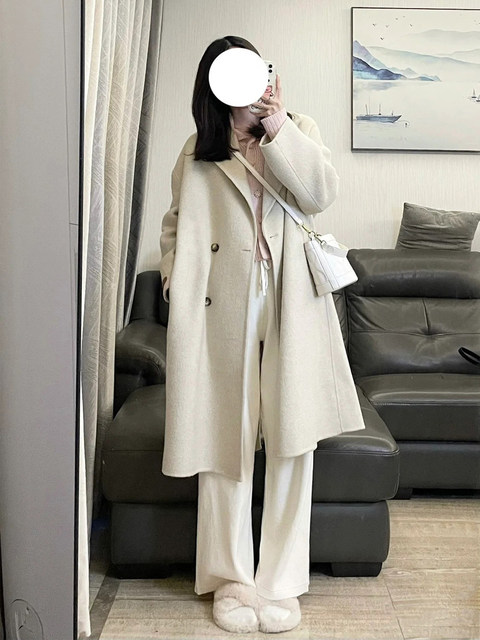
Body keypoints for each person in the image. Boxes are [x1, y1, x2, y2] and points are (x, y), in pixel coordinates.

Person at [159, 36, 366, 634]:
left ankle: (280, 581)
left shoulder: (298, 129)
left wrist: (278, 128)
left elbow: (320, 195)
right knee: (223, 434)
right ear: (214, 85)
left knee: (292, 438)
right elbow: (175, 223)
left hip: (291, 301)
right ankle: (231, 580)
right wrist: (173, 277)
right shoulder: (199, 148)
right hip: (220, 305)